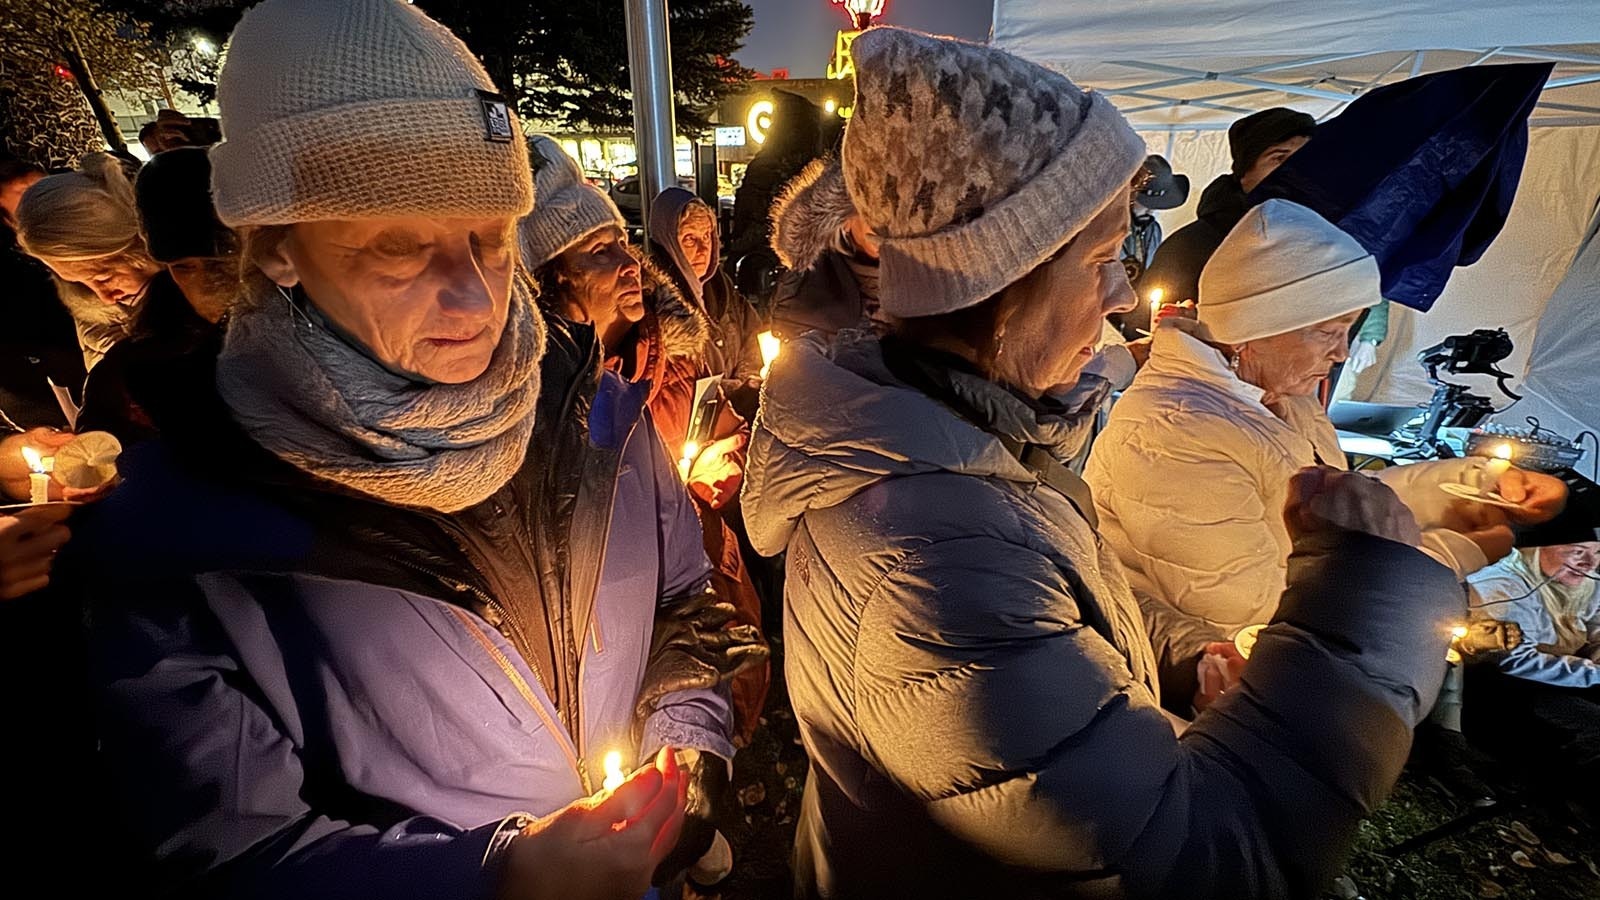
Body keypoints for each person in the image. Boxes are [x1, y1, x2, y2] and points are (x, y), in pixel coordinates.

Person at [742, 27, 1536, 899]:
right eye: (1095, 262)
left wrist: (1184, 656)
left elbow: (1066, 616)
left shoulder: (974, 450)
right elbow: (1202, 861)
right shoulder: (930, 558)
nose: (1125, 296)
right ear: (988, 285)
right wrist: (1368, 595)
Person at [61, 2, 760, 896]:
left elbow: (683, 605)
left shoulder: (598, 414)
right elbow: (227, 854)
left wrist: (687, 751)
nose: (474, 299)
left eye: (490, 235)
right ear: (276, 247)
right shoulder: (180, 531)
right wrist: (496, 878)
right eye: (399, 246)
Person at [1085, 200, 1565, 636]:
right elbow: (1254, 612)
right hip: (1222, 689)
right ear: (1254, 330)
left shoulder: (1278, 395)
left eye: (1348, 331)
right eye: (1327, 333)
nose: (1340, 352)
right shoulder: (1170, 435)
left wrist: (1472, 486)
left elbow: (1344, 505)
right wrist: (1449, 553)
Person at [522, 137, 769, 752]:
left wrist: (721, 459)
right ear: (553, 278)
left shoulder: (657, 361)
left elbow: (685, 590)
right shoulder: (537, 415)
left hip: (706, 560)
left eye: (626, 246)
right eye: (602, 253)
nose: (631, 264)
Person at [74, 147, 234, 443]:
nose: (211, 282)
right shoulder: (135, 372)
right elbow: (96, 452)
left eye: (226, 259)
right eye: (184, 266)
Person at [1465, 542, 1600, 817]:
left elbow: (1597, 621)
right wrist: (1594, 673)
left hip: (1567, 673)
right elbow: (1517, 661)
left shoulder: (1584, 580)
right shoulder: (1504, 585)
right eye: (1578, 551)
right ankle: (1537, 788)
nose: (1590, 563)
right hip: (1507, 689)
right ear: (1542, 546)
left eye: (1598, 553)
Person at [1139, 107, 1316, 312]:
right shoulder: (1190, 246)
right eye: (1279, 158)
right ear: (1245, 172)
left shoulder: (1317, 240)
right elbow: (1147, 326)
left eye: (1304, 159)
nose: (1293, 171)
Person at [14, 153, 161, 370]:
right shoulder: (95, 311)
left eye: (104, 277)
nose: (105, 297)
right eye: (79, 282)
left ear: (141, 247)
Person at [649, 186, 765, 419]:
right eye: (690, 239)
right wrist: (734, 390)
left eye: (707, 236)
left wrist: (746, 383)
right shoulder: (654, 304)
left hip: (742, 416)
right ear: (668, 241)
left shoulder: (723, 290)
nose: (703, 249)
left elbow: (755, 336)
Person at [1, 157, 85, 430]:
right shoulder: (17, 278)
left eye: (47, 191)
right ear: (8, 220)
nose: (45, 205)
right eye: (28, 200)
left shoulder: (99, 241)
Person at [766, 156, 884, 342]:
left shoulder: (932, 281)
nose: (885, 226)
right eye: (873, 213)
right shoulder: (809, 292)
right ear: (845, 220)